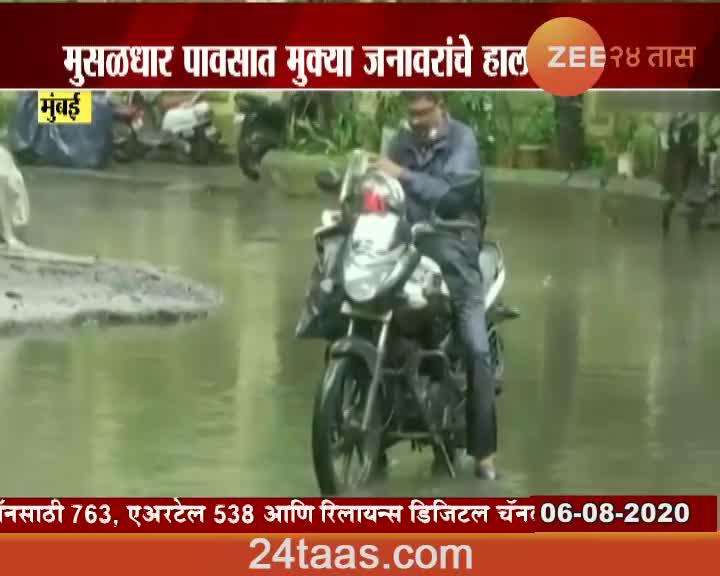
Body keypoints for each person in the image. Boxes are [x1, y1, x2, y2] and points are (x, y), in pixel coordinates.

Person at [371, 92, 497, 480]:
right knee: (367, 312)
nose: (416, 121)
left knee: (475, 347)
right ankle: (372, 440)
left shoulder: (462, 141)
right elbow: (382, 185)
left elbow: (449, 194)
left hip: (455, 241)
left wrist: (403, 175)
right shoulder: (400, 142)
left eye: (423, 112)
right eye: (411, 114)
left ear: (441, 104)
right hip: (406, 241)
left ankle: (483, 453)